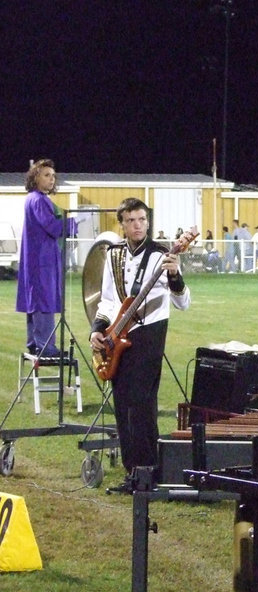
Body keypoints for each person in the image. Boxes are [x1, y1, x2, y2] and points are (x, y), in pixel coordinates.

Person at [89, 197, 192, 491]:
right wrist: (98, 328)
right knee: (123, 405)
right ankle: (131, 471)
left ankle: (148, 472)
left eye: (142, 220)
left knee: (143, 403)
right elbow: (109, 300)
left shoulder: (162, 254)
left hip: (149, 334)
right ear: (122, 224)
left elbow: (183, 302)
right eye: (132, 220)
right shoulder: (113, 256)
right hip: (118, 335)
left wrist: (174, 275)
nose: (138, 225)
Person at [16, 159, 77, 357]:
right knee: (44, 300)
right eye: (46, 175)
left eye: (53, 176)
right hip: (42, 261)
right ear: (35, 177)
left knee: (35, 300)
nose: (51, 179)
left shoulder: (32, 199)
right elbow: (53, 227)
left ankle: (35, 342)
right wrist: (74, 223)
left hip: (37, 258)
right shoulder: (39, 200)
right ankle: (46, 347)